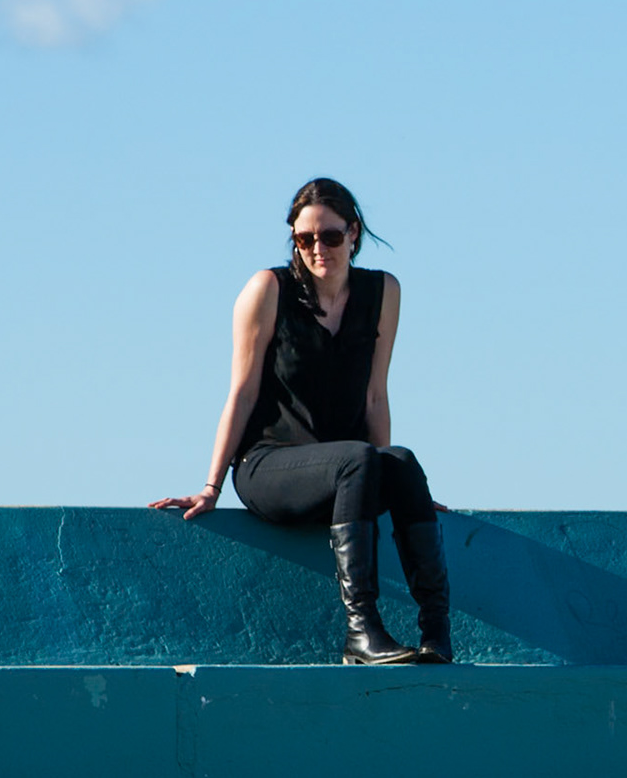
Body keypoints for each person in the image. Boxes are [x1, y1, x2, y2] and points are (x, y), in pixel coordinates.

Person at [151, 178, 453, 665]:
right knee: (359, 459)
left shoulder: (383, 292)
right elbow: (242, 391)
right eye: (304, 239)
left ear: (353, 233)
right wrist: (211, 486)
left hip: (346, 473)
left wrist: (399, 486)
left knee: (401, 462)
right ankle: (362, 633)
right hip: (268, 466)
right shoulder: (267, 290)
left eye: (330, 237)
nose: (318, 249)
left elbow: (376, 394)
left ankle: (436, 632)